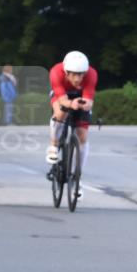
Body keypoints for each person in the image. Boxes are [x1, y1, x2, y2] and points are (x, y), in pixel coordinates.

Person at [47, 51, 98, 198]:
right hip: (61, 95)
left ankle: (77, 177)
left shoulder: (91, 74)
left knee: (82, 135)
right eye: (74, 74)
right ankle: (54, 145)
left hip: (80, 97)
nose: (78, 78)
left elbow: (89, 100)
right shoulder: (56, 72)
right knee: (60, 113)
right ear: (66, 72)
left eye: (81, 74)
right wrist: (70, 104)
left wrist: (84, 105)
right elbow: (62, 99)